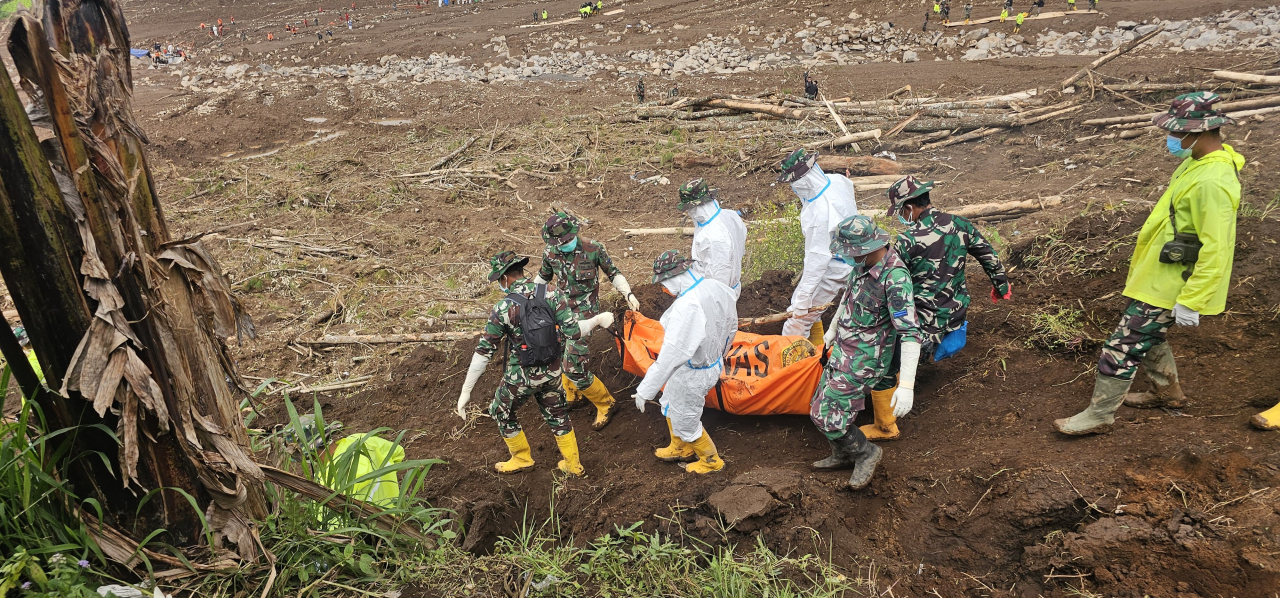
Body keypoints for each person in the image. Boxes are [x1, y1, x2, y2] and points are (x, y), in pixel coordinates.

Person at [1054, 93, 1244, 436]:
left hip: (1175, 283)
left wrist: (1192, 299)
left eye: (1176, 133)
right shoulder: (1198, 163)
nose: (1171, 139)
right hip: (1159, 275)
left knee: (1122, 345)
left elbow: (1218, 248)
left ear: (1198, 133)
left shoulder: (1213, 181)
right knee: (1149, 335)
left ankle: (1099, 415)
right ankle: (1166, 392)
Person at [879, 176, 1009, 439]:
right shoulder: (961, 224)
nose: (902, 217)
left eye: (901, 212)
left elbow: (890, 282)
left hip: (924, 323)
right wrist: (1001, 286)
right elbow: (990, 258)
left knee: (884, 359)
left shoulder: (907, 240)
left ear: (909, 207)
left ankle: (885, 420)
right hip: (956, 313)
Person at [456, 251, 592, 475]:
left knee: (500, 410)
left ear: (504, 279)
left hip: (521, 377)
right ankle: (573, 464)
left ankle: (521, 458)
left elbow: (484, 352)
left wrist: (466, 391)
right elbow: (573, 331)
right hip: (552, 371)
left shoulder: (503, 309)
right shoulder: (551, 293)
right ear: (521, 271)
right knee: (558, 413)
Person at [812, 216, 922, 490]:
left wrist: (906, 385)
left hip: (865, 361)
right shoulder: (862, 266)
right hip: (844, 350)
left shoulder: (894, 278)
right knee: (818, 405)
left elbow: (910, 333)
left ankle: (865, 453)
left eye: (851, 252)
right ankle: (842, 453)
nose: (847, 258)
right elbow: (847, 299)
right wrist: (833, 329)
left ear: (868, 246)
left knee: (828, 416)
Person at [633, 250, 738, 475]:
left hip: (694, 372)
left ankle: (711, 461)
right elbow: (732, 326)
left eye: (663, 283)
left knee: (686, 418)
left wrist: (645, 390)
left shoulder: (686, 307)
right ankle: (680, 447)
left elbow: (671, 356)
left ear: (672, 277)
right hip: (706, 364)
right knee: (670, 402)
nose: (664, 289)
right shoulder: (716, 288)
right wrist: (720, 354)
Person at [536, 212, 636, 428]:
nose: (562, 246)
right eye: (558, 243)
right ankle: (573, 395)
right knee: (558, 353)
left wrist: (627, 293)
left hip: (586, 312)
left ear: (574, 234)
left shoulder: (594, 248)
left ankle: (606, 403)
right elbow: (542, 279)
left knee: (573, 366)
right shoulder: (550, 252)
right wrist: (531, 303)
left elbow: (613, 273)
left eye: (565, 241)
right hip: (560, 310)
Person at [776, 149, 858, 346]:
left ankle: (793, 366)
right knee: (815, 312)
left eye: (793, 182)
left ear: (802, 180)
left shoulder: (820, 212)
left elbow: (817, 259)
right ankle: (818, 349)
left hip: (834, 267)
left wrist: (802, 301)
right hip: (854, 255)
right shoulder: (837, 181)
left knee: (797, 321)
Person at [287, 415, 405, 507]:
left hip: (373, 535)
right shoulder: (361, 440)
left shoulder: (326, 485)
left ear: (307, 455)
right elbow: (398, 453)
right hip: (397, 519)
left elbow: (332, 528)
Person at [677, 179, 747, 298]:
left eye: (690, 208)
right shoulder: (729, 215)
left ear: (698, 206)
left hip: (719, 298)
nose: (689, 212)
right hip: (731, 289)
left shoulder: (712, 237)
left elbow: (719, 277)